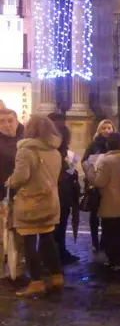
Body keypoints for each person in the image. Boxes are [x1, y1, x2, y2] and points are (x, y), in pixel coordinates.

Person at [7, 115, 64, 296]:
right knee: (48, 238)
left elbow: (21, 177)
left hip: (31, 202)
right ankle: (57, 276)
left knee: (29, 242)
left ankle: (36, 281)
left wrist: (10, 181)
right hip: (50, 201)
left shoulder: (26, 151)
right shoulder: (55, 151)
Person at [85, 133, 120, 271]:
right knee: (116, 232)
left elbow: (99, 181)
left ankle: (118, 261)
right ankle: (119, 260)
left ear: (108, 145)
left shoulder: (105, 161)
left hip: (110, 202)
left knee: (110, 234)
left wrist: (89, 170)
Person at [47, 114, 80, 265]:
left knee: (60, 225)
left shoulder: (64, 151)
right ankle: (54, 255)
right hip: (56, 192)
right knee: (54, 227)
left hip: (63, 192)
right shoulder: (49, 152)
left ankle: (60, 251)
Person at [83, 119, 116, 254]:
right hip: (95, 183)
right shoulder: (93, 145)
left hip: (110, 183)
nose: (107, 130)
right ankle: (95, 241)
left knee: (107, 213)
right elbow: (84, 161)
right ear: (99, 130)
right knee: (94, 213)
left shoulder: (114, 144)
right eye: (104, 128)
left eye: (109, 128)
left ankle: (104, 240)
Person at [0, 108, 25, 281]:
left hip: (22, 197)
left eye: (10, 120)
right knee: (1, 236)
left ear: (16, 121)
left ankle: (17, 270)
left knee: (19, 235)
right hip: (1, 196)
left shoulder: (24, 141)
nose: (7, 124)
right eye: (2, 121)